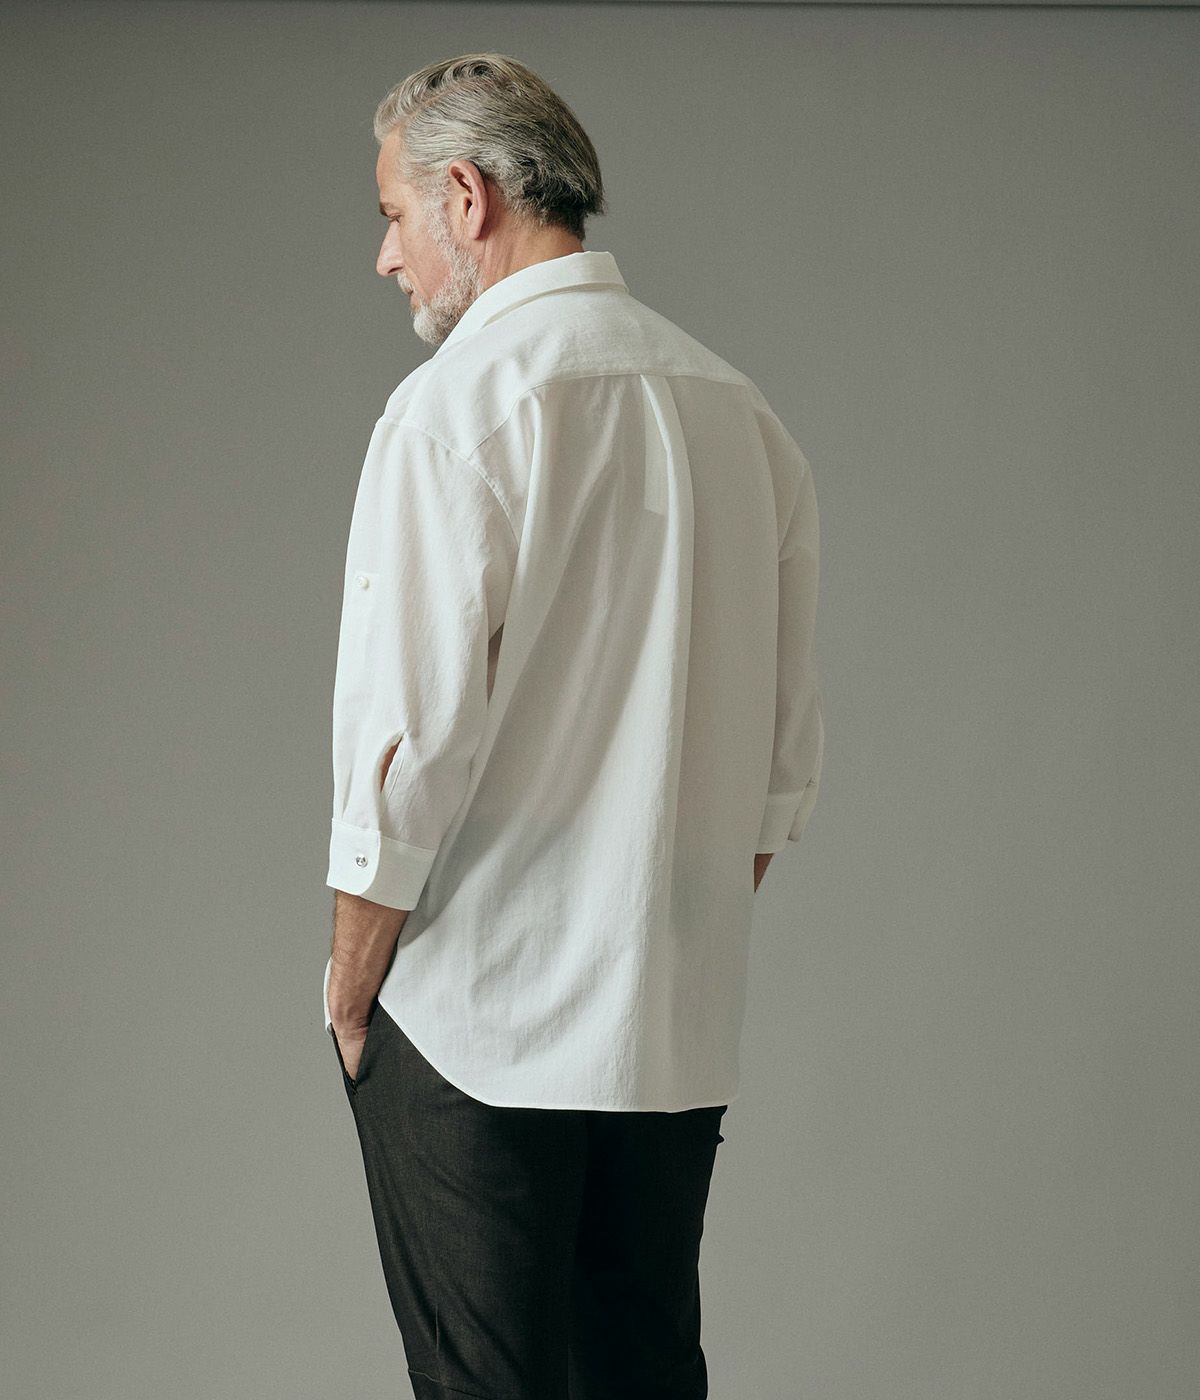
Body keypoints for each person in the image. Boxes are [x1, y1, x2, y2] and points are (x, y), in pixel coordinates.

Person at [322, 52, 825, 1400]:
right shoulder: (738, 412)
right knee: (645, 1371)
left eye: (393, 214)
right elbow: (779, 767)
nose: (387, 257)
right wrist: (659, 932)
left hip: (471, 1015)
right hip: (666, 1022)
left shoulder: (455, 410)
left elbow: (408, 742)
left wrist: (351, 988)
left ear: (466, 197)